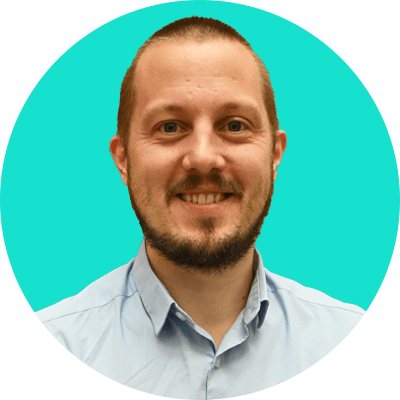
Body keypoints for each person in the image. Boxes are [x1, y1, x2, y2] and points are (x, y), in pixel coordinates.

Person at [36, 17, 365, 399]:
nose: (204, 158)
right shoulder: (49, 350)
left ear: (275, 155)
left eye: (235, 126)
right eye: (170, 127)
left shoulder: (353, 344)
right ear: (123, 159)